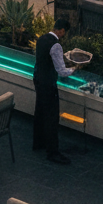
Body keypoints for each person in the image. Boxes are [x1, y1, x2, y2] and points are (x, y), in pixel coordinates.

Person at [33, 18, 85, 164]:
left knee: (40, 111)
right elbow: (61, 71)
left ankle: (38, 143)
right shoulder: (56, 46)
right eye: (64, 33)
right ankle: (52, 152)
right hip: (48, 83)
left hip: (37, 79)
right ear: (62, 31)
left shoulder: (42, 38)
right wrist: (75, 68)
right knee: (51, 116)